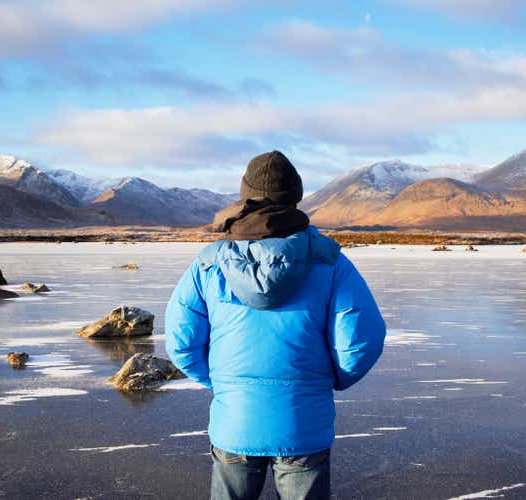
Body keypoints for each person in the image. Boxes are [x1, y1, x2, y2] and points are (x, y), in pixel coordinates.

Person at [164, 151, 386, 500]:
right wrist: (327, 382)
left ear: (244, 198)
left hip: (234, 420)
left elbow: (180, 341)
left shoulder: (208, 265)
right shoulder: (329, 262)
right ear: (295, 197)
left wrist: (224, 383)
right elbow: (360, 341)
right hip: (303, 422)